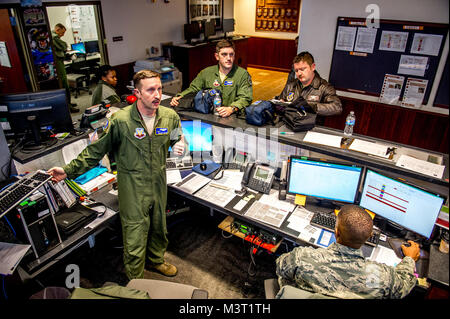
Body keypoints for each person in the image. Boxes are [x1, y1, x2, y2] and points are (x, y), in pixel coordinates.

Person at [48, 70, 185, 280]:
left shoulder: (169, 116)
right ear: (137, 93)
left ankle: (156, 260)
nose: (157, 94)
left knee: (159, 226)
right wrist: (67, 171)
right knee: (135, 234)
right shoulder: (120, 121)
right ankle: (136, 279)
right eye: (150, 90)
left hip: (158, 181)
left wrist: (181, 144)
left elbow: (177, 138)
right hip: (132, 185)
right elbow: (95, 151)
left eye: (159, 88)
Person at [276, 205, 419, 299]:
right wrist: (409, 259)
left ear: (336, 232)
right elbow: (403, 285)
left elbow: (280, 267)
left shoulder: (303, 257)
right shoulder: (382, 277)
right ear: (370, 236)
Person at [170, 39, 253, 117]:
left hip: (233, 116)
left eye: (231, 54)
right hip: (210, 115)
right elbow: (193, 88)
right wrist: (180, 97)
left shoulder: (242, 74)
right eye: (224, 54)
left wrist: (231, 108)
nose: (228, 58)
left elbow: (245, 98)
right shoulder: (206, 72)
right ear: (217, 56)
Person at [277, 51, 342, 122]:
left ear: (313, 67)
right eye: (296, 70)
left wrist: (311, 106)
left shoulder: (324, 87)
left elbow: (337, 107)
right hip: (289, 123)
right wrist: (280, 105)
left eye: (302, 69)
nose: (299, 73)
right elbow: (280, 102)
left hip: (311, 128)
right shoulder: (291, 85)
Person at [51, 23, 79, 112]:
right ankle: (68, 106)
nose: (62, 35)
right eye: (62, 33)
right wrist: (64, 47)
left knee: (65, 83)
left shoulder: (54, 36)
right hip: (57, 62)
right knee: (64, 84)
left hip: (59, 61)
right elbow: (64, 46)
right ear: (57, 30)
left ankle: (69, 103)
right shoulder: (54, 37)